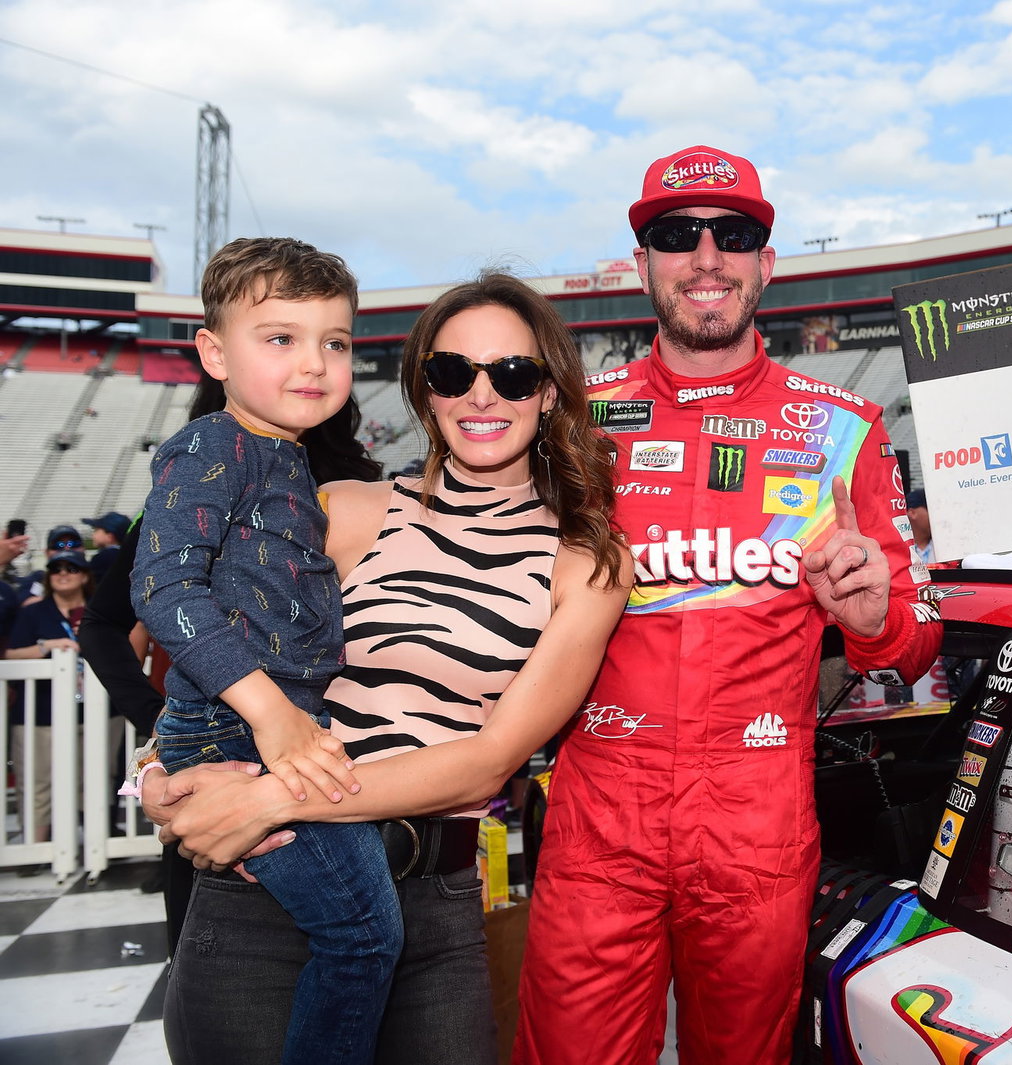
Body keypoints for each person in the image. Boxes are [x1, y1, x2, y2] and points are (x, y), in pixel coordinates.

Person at [515, 145, 943, 1065]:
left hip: (759, 822)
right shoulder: (576, 428)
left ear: (765, 263)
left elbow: (912, 645)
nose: (706, 255)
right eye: (676, 235)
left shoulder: (844, 429)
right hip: (599, 815)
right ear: (644, 266)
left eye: (733, 234)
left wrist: (872, 620)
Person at [146, 271, 629, 1065]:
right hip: (268, 887)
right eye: (451, 372)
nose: (481, 396)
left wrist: (272, 795)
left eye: (512, 374)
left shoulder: (587, 560)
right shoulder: (343, 507)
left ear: (549, 393)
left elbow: (490, 757)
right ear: (423, 389)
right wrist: (161, 764)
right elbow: (203, 634)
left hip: (431, 904)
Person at [132, 235, 398, 1065]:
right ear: (213, 351)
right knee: (363, 935)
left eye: (337, 341)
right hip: (241, 728)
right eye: (280, 338)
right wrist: (274, 716)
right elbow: (165, 593)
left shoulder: (283, 458)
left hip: (258, 723)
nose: (315, 362)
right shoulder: (213, 446)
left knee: (353, 931)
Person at [4, 548, 92, 843]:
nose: (63, 574)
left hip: (90, 713)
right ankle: (37, 846)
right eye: (56, 569)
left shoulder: (96, 611)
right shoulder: (32, 612)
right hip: (39, 712)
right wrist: (47, 647)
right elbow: (12, 654)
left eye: (71, 568)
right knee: (36, 781)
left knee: (89, 781)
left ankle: (89, 846)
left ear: (84, 576)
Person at [14, 524, 84, 602]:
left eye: (73, 544)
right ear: (46, 552)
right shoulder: (37, 580)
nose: (66, 549)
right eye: (58, 545)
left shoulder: (95, 578)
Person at [82, 510, 131, 583]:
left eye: (96, 530)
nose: (93, 534)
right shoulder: (129, 555)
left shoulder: (103, 557)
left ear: (109, 536)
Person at [906, 487, 936, 564]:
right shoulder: (897, 550)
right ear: (912, 513)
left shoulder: (948, 549)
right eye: (930, 509)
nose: (936, 516)